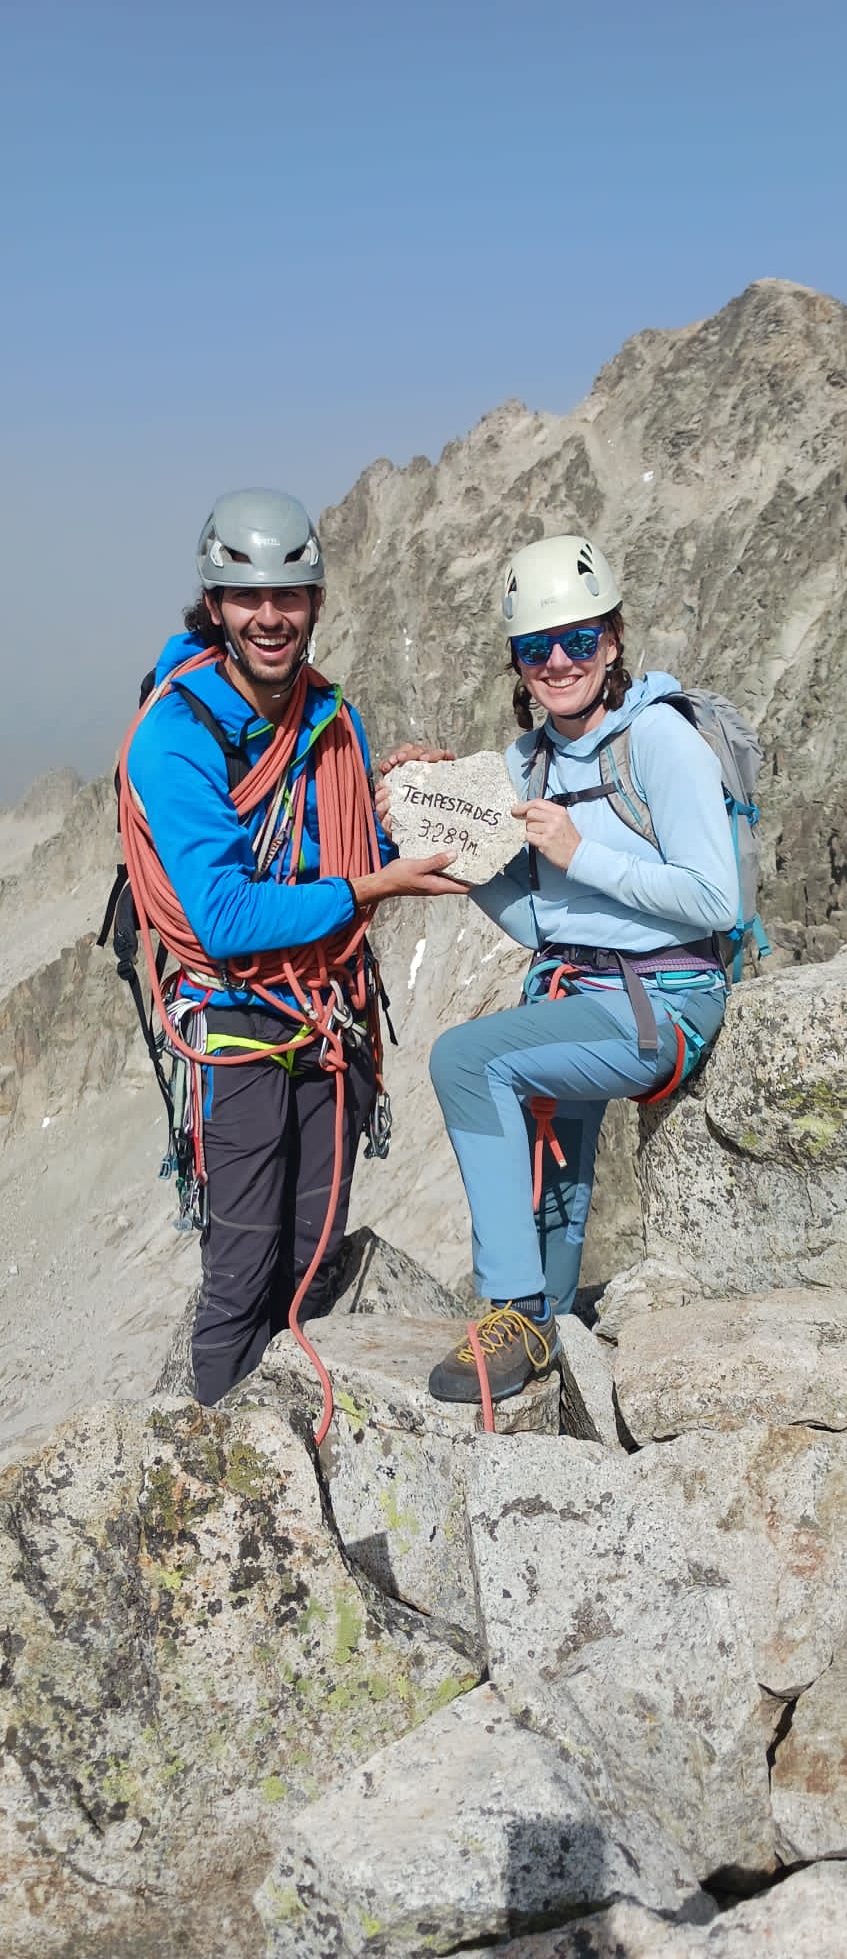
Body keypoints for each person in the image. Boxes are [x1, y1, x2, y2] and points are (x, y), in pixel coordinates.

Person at [122, 488, 465, 1404]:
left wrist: (408, 810)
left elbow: (347, 852)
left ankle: (291, 1457)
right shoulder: (175, 735)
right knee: (239, 1275)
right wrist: (368, 887)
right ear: (216, 605)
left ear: (314, 601)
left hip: (329, 1017)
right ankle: (225, 1486)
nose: (270, 617)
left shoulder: (329, 717)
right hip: (235, 1024)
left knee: (313, 1255)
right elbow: (229, 920)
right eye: (249, 599)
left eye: (290, 596)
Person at [418, 533, 739, 1403]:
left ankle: (510, 1306)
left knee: (464, 1058)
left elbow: (717, 899)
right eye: (535, 647)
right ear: (517, 663)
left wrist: (578, 851)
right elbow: (541, 922)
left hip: (663, 1002)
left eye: (580, 640)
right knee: (556, 1197)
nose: (559, 661)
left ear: (615, 638)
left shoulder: (661, 745)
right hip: (578, 993)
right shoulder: (528, 763)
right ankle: (547, 1339)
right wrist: (455, 853)